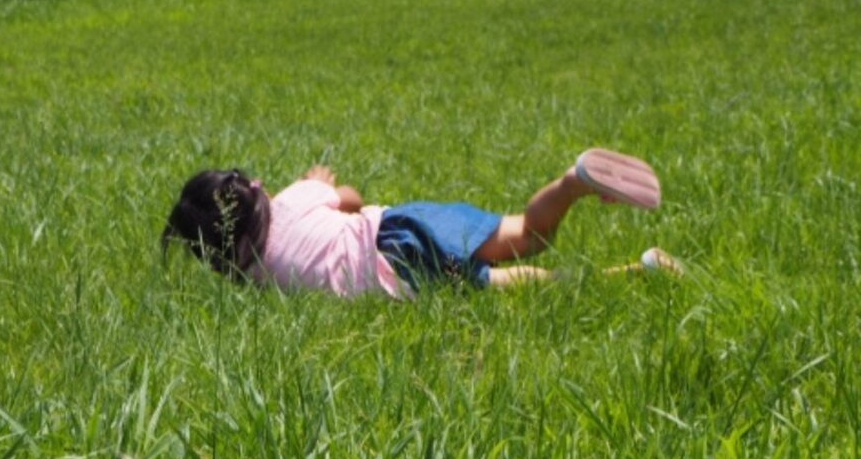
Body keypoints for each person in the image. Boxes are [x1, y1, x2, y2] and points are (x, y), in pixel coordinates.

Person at [160, 149, 681, 298]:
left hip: (398, 278)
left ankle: (637, 273)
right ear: (255, 192)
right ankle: (571, 183)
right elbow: (351, 197)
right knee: (526, 236)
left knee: (514, 284)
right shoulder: (294, 199)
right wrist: (316, 184)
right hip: (402, 228)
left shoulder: (256, 278)